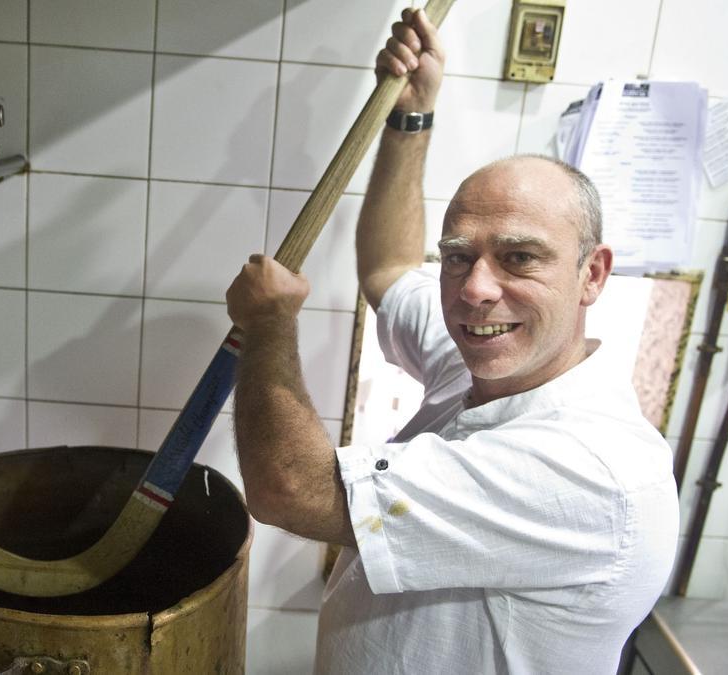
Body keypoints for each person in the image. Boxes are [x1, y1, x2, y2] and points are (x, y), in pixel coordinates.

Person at [224, 7, 679, 674]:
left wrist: (269, 326)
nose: (474, 290)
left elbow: (289, 485)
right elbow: (391, 269)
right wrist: (411, 117)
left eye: (521, 258)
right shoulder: (488, 365)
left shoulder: (589, 470)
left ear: (593, 273)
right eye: (460, 256)